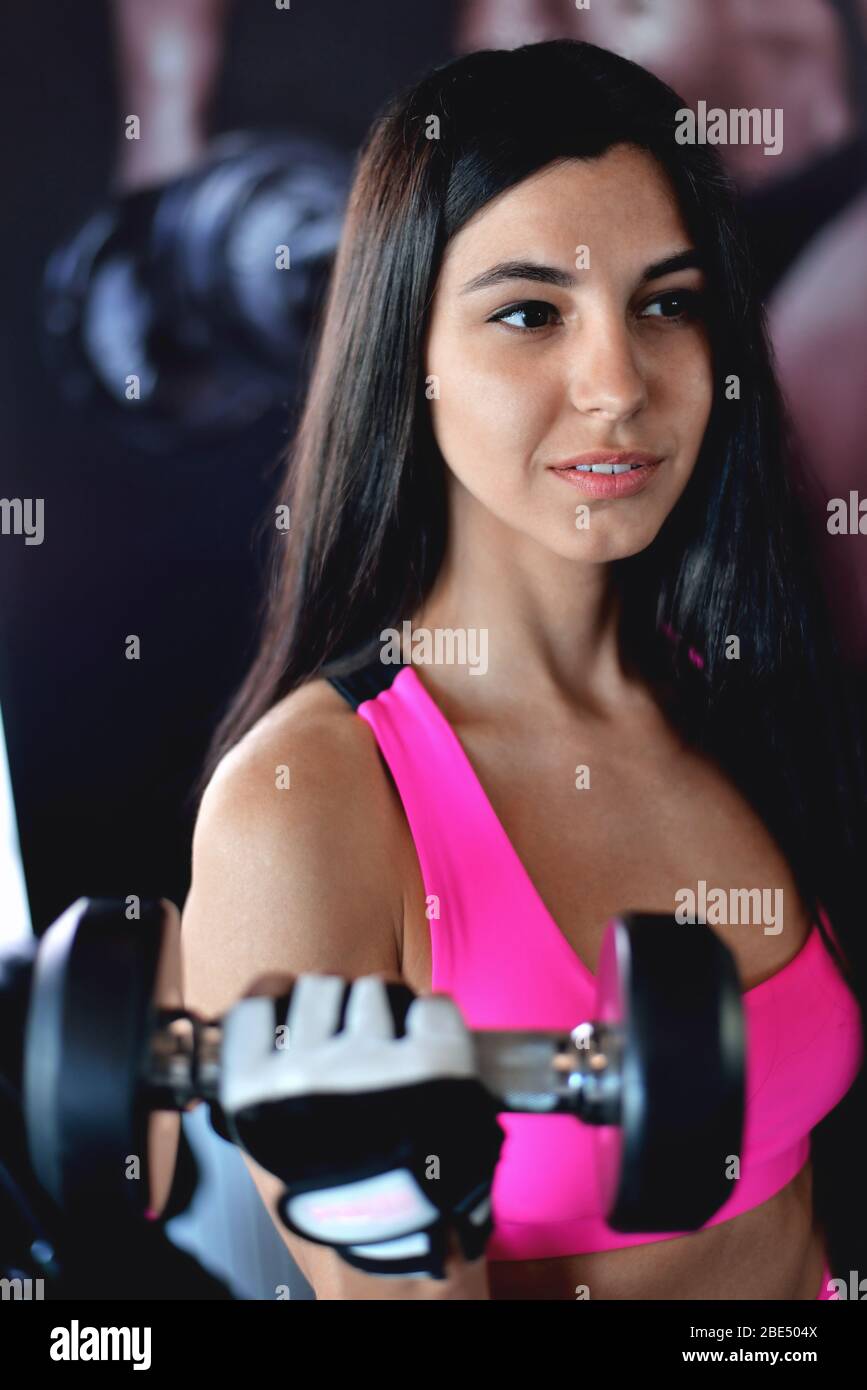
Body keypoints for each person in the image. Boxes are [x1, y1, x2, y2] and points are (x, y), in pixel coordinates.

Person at [180, 40, 866, 1300]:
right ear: (410, 352)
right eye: (528, 312)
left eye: (666, 301)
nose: (617, 386)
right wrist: (393, 1206)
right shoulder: (303, 805)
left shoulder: (736, 681)